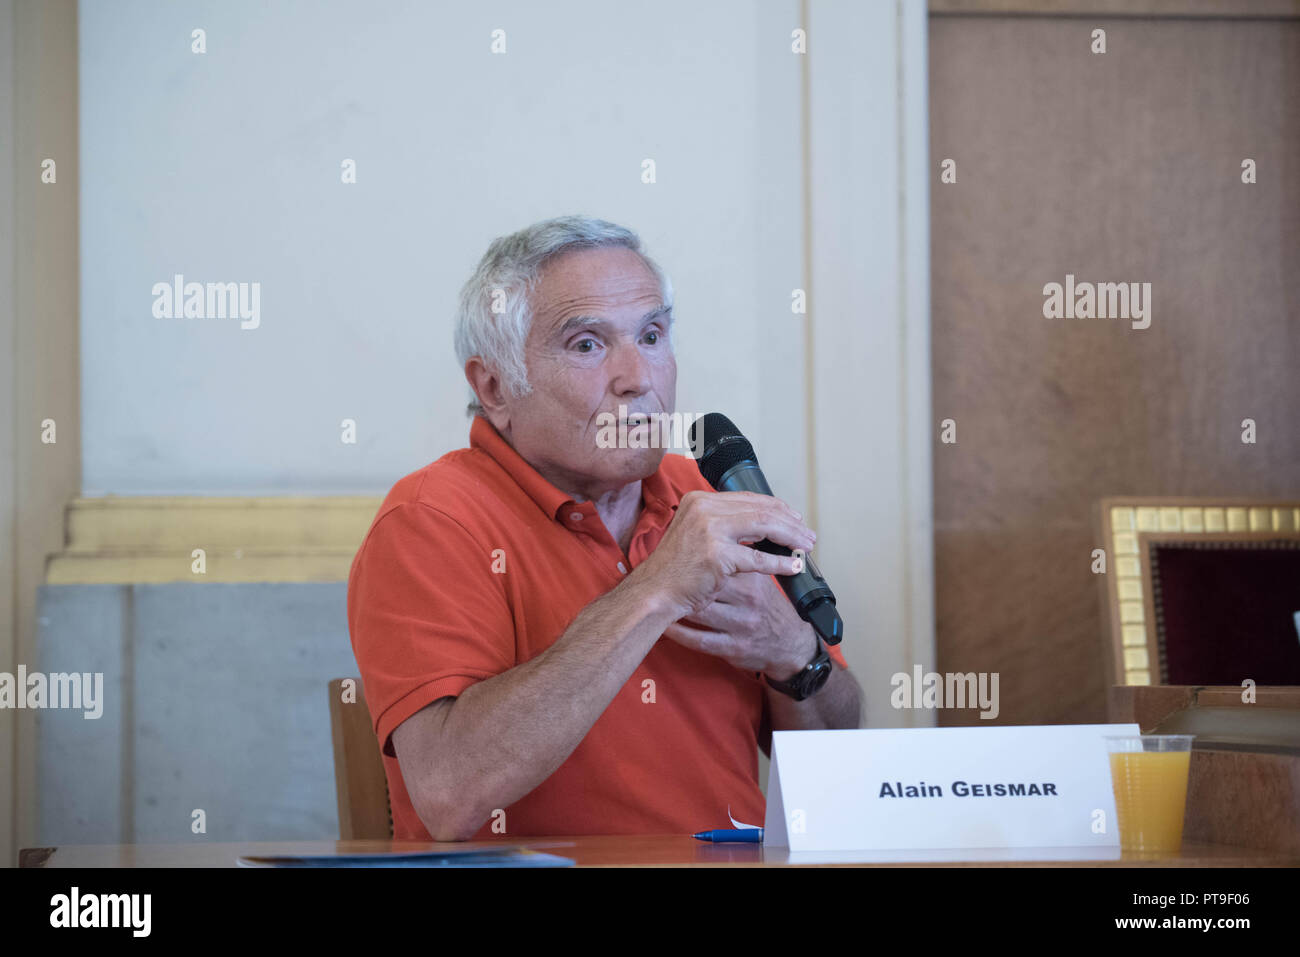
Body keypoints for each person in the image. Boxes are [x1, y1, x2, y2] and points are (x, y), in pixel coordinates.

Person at [347, 215, 862, 841]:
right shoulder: (432, 520)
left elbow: (839, 770)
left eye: (651, 335)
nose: (638, 379)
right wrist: (654, 591)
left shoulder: (706, 493)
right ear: (495, 386)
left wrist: (795, 657)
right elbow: (451, 793)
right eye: (587, 344)